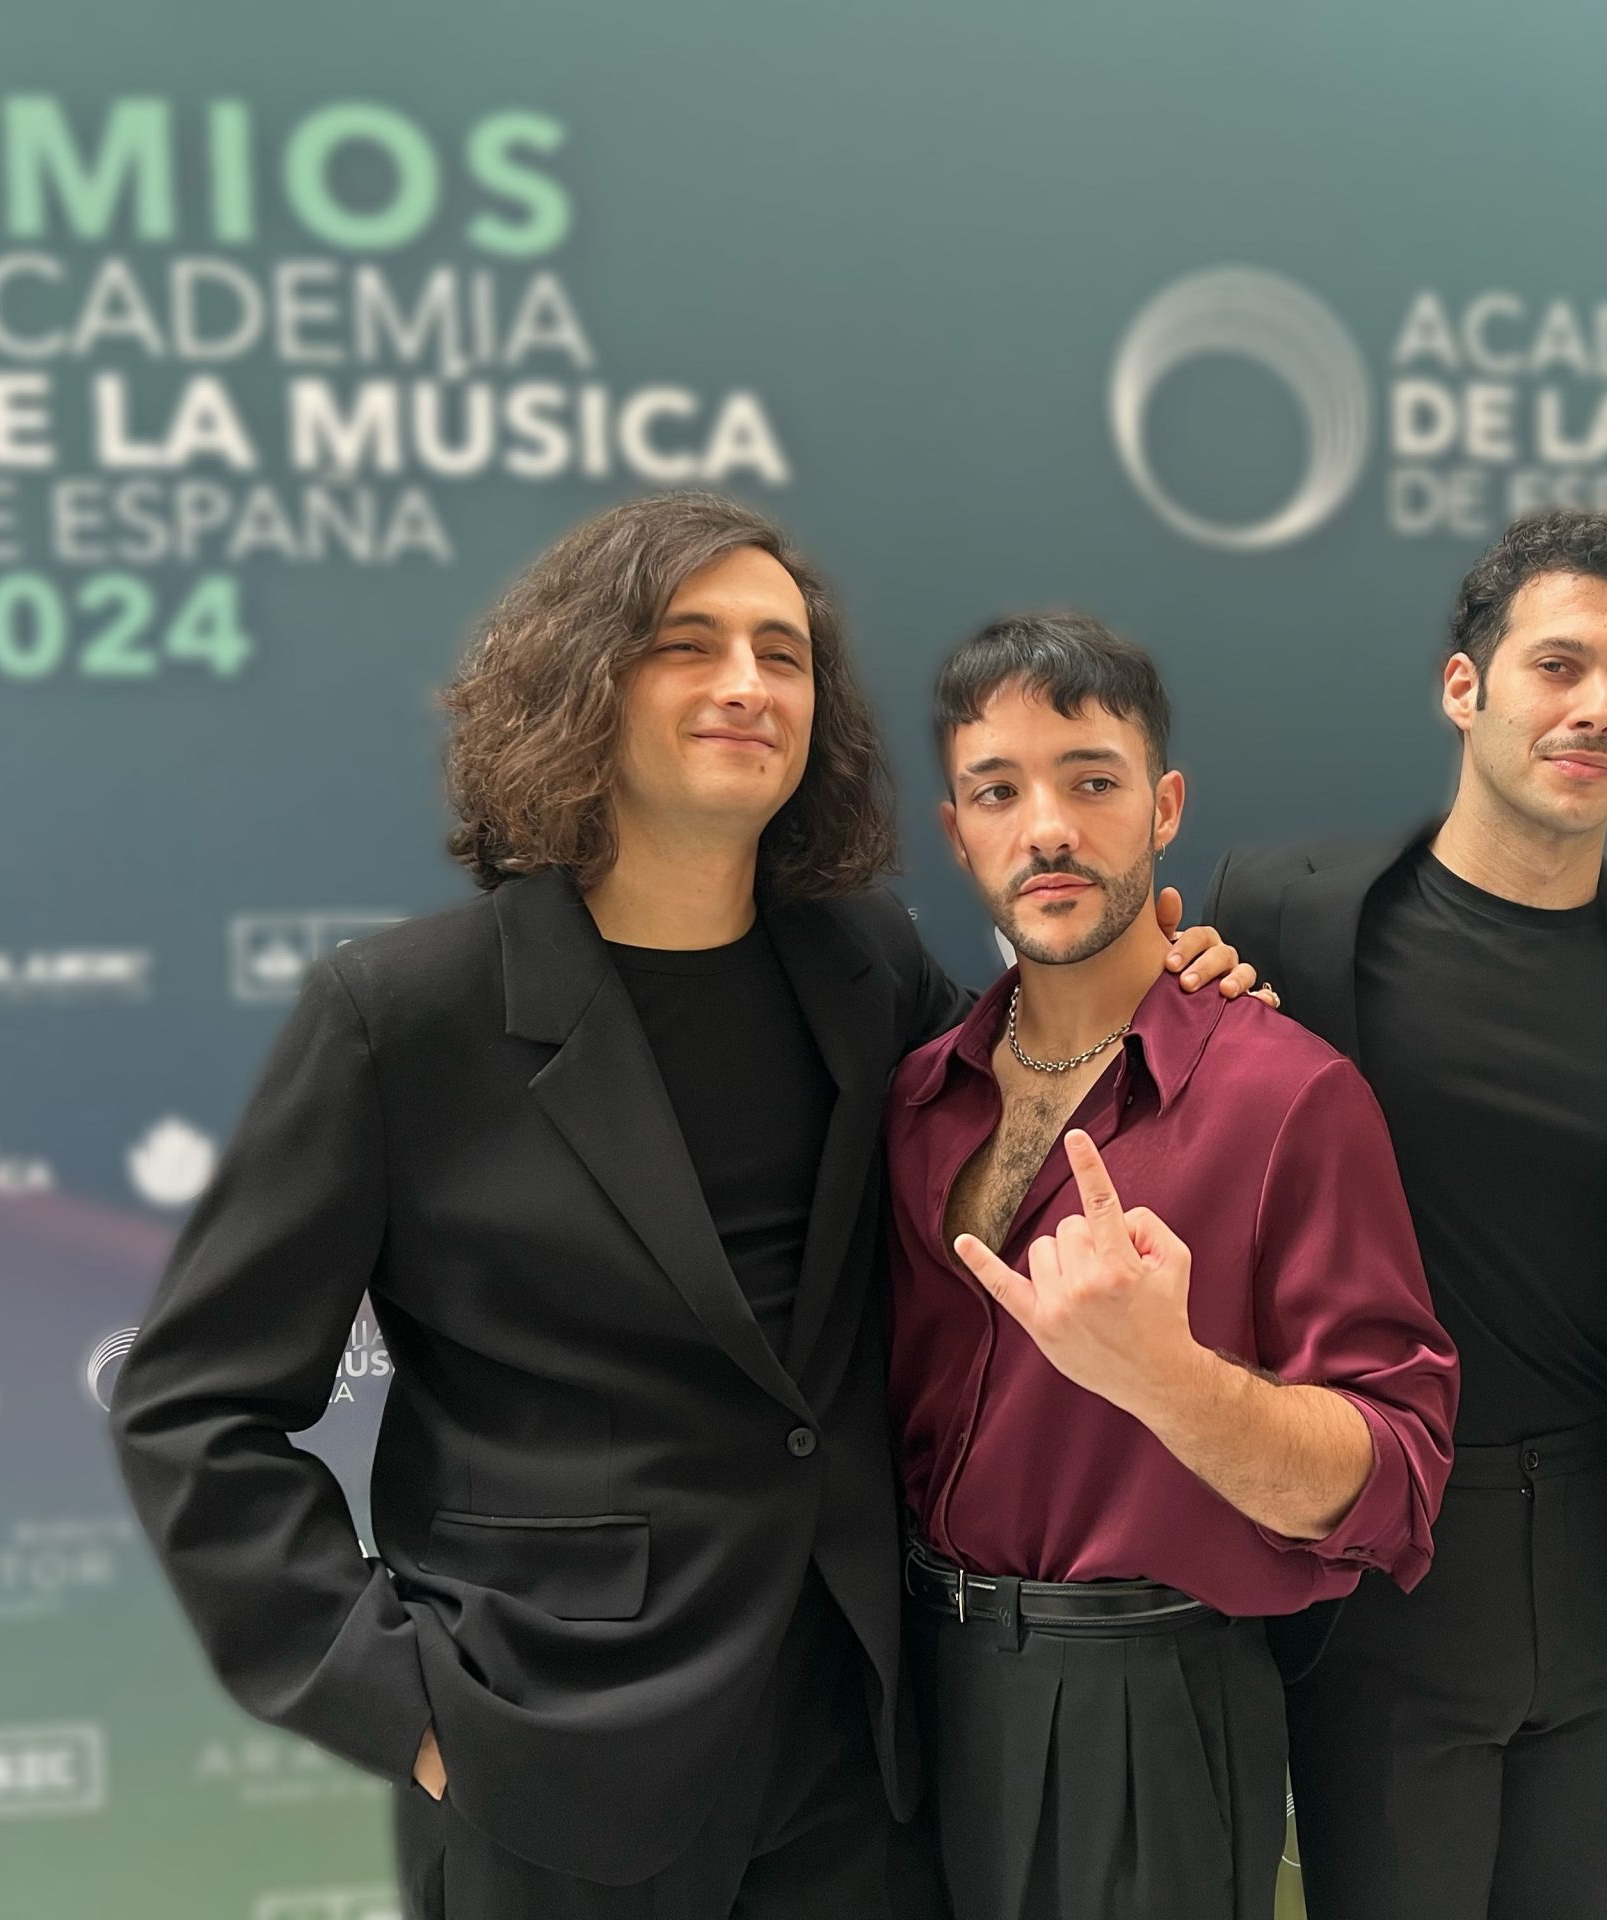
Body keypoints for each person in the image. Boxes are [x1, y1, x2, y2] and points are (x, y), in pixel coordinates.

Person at [108, 492, 1257, 1920]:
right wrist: (405, 1706)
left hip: (862, 1749)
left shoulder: (865, 966)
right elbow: (191, 1407)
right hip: (550, 1758)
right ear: (584, 680)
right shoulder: (402, 1018)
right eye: (687, 644)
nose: (746, 684)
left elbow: (1039, 1099)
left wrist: (1173, 987)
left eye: (783, 653)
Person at [1204, 508, 1607, 1918]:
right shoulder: (1284, 920)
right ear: (1465, 687)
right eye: (1559, 666)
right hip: (1380, 1567)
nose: (1597, 708)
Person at [888, 611, 1457, 1920]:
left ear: (1165, 808)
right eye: (1000, 792)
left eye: (1091, 780)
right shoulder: (916, 1097)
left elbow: (1397, 1474)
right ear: (958, 833)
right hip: (901, 1697)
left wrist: (1169, 1380)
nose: (1048, 828)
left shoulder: (1287, 1096)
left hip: (1140, 1709)